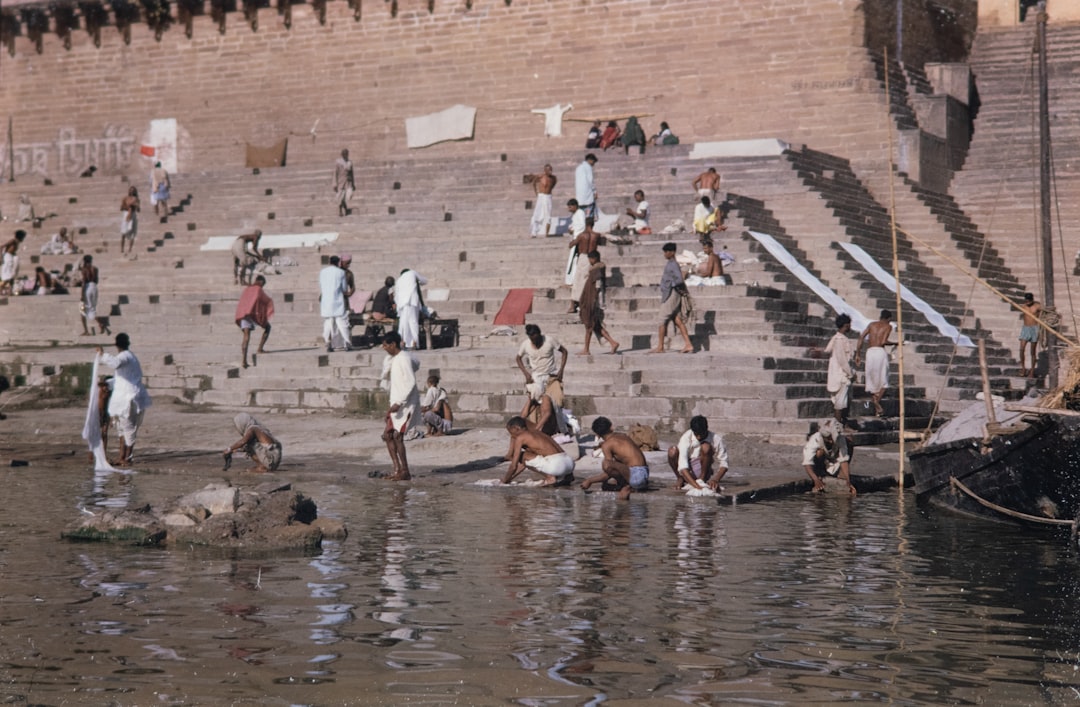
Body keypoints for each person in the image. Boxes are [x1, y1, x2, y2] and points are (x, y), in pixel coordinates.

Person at [96, 333, 152, 467]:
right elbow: (121, 379)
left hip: (130, 397)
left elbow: (114, 363)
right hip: (126, 396)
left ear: (117, 345)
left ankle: (128, 458)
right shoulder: (130, 358)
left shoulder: (126, 356)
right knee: (122, 428)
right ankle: (122, 456)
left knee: (128, 429)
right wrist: (107, 384)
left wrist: (103, 355)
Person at [381, 331, 419, 481]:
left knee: (397, 436)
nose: (384, 348)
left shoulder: (404, 359)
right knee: (388, 435)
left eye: (385, 345)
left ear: (393, 344)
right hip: (396, 403)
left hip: (405, 404)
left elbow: (410, 383)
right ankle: (396, 469)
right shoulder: (394, 359)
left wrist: (399, 403)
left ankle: (405, 471)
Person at [582, 416, 648, 499]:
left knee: (606, 464)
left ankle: (628, 486)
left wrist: (590, 481)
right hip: (644, 474)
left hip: (636, 477)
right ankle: (626, 484)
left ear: (598, 435)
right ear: (611, 427)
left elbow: (609, 469)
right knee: (614, 468)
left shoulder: (607, 445)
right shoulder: (623, 436)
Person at [501, 415, 575, 486]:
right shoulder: (537, 432)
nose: (512, 436)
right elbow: (525, 464)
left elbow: (514, 466)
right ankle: (568, 476)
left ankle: (550, 478)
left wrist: (504, 481)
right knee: (527, 456)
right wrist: (510, 478)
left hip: (556, 465)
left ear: (516, 428)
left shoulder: (521, 437)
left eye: (511, 432)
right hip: (569, 463)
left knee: (521, 455)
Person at [667, 415, 729, 491]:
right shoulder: (686, 437)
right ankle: (680, 479)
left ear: (706, 429)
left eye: (701, 434)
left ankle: (701, 479)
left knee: (706, 446)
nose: (699, 437)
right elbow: (683, 466)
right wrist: (697, 487)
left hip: (703, 470)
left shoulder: (715, 438)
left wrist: (715, 480)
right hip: (686, 472)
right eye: (696, 434)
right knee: (672, 451)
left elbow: (724, 464)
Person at [652, 242, 693, 354]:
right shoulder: (670, 263)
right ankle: (688, 344)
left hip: (671, 294)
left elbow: (679, 280)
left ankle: (660, 347)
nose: (665, 254)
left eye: (667, 252)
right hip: (670, 294)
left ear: (672, 252)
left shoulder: (673, 264)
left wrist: (671, 285)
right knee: (677, 320)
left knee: (662, 320)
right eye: (664, 252)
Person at [855, 309, 895, 417]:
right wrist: (896, 343)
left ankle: (877, 411)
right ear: (889, 318)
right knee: (884, 381)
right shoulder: (888, 326)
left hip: (870, 352)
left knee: (872, 379)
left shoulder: (871, 325)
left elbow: (861, 337)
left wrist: (858, 354)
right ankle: (876, 402)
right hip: (880, 352)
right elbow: (883, 342)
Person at [578, 250, 619, 355]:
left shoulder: (597, 269)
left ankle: (586, 349)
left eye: (590, 259)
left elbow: (597, 287)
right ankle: (613, 343)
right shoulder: (596, 268)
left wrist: (593, 301)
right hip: (592, 301)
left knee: (589, 326)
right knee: (596, 326)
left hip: (593, 303)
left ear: (594, 258)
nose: (589, 261)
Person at [802, 419, 856, 496]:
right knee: (819, 452)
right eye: (828, 438)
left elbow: (843, 460)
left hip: (833, 462)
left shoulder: (840, 439)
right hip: (821, 465)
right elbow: (807, 463)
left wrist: (848, 481)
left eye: (831, 438)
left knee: (849, 443)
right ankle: (820, 474)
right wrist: (816, 480)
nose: (831, 441)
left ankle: (840, 475)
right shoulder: (815, 438)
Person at [517, 324, 568, 403]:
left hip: (551, 375)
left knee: (558, 400)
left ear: (539, 335)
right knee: (535, 401)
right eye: (532, 340)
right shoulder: (525, 344)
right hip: (537, 376)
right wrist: (526, 373)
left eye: (536, 339)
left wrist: (561, 370)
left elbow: (564, 352)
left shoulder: (549, 340)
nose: (535, 342)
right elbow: (518, 358)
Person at [236, 274, 273, 368]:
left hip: (244, 314)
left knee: (246, 336)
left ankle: (244, 360)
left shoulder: (247, 289)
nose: (263, 286)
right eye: (263, 284)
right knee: (268, 327)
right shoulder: (258, 289)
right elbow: (263, 302)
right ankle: (260, 349)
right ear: (261, 281)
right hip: (253, 314)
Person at [826, 313, 856, 427]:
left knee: (844, 401)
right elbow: (842, 360)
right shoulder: (839, 340)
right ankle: (838, 427)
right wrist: (850, 373)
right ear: (846, 325)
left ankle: (842, 423)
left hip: (843, 374)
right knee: (839, 402)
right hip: (841, 375)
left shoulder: (841, 339)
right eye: (849, 324)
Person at [567, 215, 600, 313]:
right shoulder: (597, 235)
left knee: (578, 282)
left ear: (586, 224)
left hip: (583, 258)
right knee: (587, 281)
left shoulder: (582, 235)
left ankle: (573, 305)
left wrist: (571, 236)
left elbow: (571, 245)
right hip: (593, 258)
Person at [319, 255, 351, 352]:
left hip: (326, 302)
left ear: (329, 262)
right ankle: (347, 343)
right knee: (342, 323)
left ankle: (327, 342)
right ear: (338, 263)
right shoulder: (341, 272)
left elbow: (321, 285)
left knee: (328, 323)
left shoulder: (322, 272)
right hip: (338, 301)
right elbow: (344, 288)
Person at [395, 267, 428, 350]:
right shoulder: (412, 272)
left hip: (402, 304)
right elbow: (424, 281)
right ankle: (414, 343)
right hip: (411, 302)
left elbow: (396, 296)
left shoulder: (398, 280)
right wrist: (417, 281)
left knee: (404, 324)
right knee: (413, 322)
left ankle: (404, 343)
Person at [79, 255, 110, 336]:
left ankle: (86, 331)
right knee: (92, 308)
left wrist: (82, 294)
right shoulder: (95, 269)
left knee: (82, 309)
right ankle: (100, 324)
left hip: (87, 288)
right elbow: (97, 280)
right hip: (94, 288)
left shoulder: (84, 269)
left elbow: (84, 282)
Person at [1017, 292, 1043, 378]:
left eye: (1029, 300)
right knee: (1021, 349)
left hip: (1034, 329)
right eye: (1026, 300)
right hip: (1025, 328)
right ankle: (1023, 368)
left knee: (1032, 352)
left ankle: (1032, 370)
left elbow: (1046, 312)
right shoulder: (1023, 306)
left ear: (1032, 299)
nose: (1027, 302)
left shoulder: (1037, 306)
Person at [529, 164, 557, 238]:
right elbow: (534, 183)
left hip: (548, 197)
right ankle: (534, 232)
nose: (550, 171)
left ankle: (547, 234)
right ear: (545, 170)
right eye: (549, 170)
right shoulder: (541, 176)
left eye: (551, 169)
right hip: (541, 196)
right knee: (537, 214)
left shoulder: (554, 178)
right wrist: (536, 193)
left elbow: (553, 185)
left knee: (548, 215)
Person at [1, 230, 27, 295]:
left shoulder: (17, 242)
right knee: (8, 276)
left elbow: (12, 250)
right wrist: (0, 258)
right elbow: (1, 247)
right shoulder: (13, 240)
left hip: (11, 257)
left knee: (12, 276)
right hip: (7, 257)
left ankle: (10, 291)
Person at [575, 154, 598, 220]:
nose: (593, 164)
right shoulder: (588, 167)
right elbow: (590, 181)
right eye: (593, 162)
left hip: (579, 195)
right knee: (589, 215)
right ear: (590, 160)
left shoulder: (578, 168)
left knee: (581, 214)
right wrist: (595, 191)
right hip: (587, 195)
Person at [333, 148, 355, 217]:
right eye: (344, 154)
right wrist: (334, 183)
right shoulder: (338, 162)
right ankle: (341, 210)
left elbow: (352, 173)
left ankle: (344, 208)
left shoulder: (350, 162)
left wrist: (353, 184)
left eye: (347, 154)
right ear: (342, 155)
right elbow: (335, 173)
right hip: (341, 182)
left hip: (348, 182)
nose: (346, 155)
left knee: (348, 196)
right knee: (341, 197)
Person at [120, 186, 140, 256]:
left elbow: (139, 210)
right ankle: (122, 248)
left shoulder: (136, 199)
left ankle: (130, 249)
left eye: (133, 190)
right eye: (131, 190)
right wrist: (127, 206)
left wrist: (135, 205)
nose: (132, 191)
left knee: (132, 233)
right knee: (123, 232)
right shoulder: (125, 198)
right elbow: (121, 208)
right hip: (126, 214)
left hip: (133, 215)